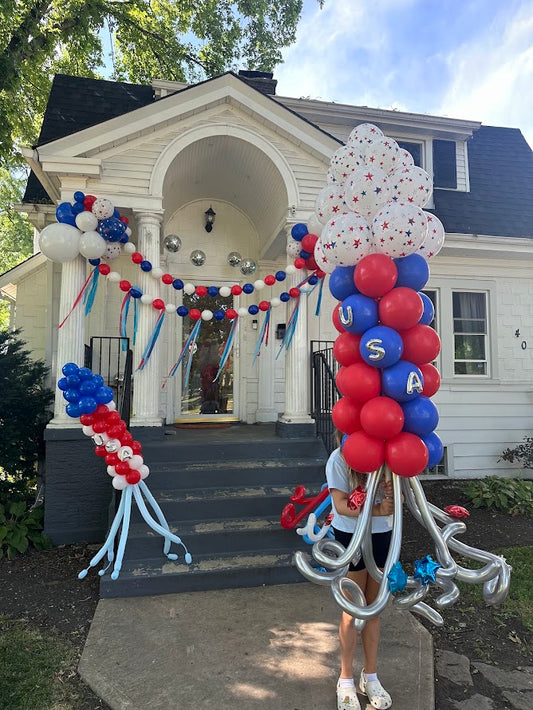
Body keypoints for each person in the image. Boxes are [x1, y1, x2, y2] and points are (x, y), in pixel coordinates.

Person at [326, 432, 394, 710]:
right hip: (351, 536)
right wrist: (377, 509)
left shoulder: (388, 457)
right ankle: (345, 679)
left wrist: (391, 494)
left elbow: (397, 500)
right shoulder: (339, 459)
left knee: (374, 609)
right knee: (353, 610)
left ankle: (371, 676)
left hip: (381, 535)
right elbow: (341, 506)